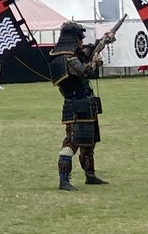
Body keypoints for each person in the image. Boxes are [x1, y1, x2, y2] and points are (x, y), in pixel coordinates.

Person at [48, 22, 115, 191]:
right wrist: (96, 63)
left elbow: (91, 49)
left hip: (85, 102)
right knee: (72, 142)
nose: (81, 42)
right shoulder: (68, 58)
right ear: (74, 39)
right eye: (80, 39)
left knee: (89, 142)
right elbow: (84, 71)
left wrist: (104, 40)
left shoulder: (69, 55)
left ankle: (90, 175)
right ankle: (64, 179)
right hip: (76, 103)